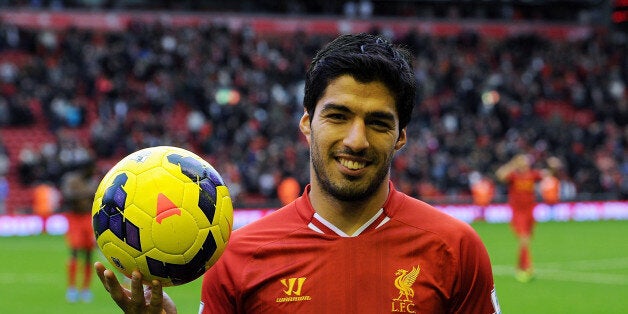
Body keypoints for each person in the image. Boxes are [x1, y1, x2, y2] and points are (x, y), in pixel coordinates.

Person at [95, 33, 500, 313]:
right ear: (307, 123)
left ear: (400, 137)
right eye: (338, 116)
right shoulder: (238, 257)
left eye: (378, 122)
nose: (356, 140)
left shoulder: (455, 249)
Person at [495, 153, 543, 283]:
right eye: (521, 161)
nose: (524, 164)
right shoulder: (513, 176)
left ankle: (520, 267)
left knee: (526, 239)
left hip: (530, 212)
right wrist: (512, 164)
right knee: (523, 239)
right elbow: (500, 175)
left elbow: (547, 174)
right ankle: (526, 268)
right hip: (518, 213)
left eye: (525, 161)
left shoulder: (533, 175)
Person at [61, 160, 100, 302]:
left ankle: (85, 289)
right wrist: (87, 192)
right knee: (75, 251)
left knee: (89, 254)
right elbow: (68, 195)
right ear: (86, 169)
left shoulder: (93, 181)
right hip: (75, 218)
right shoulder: (72, 179)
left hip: (87, 217)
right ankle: (71, 288)